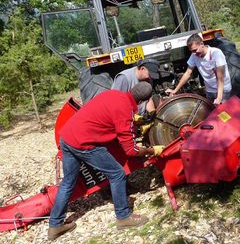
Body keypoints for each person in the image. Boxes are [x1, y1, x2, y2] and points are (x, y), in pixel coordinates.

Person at [48, 82, 163, 240]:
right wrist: (153, 150)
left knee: (68, 182)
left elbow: (107, 115)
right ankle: (123, 217)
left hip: (67, 137)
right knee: (117, 174)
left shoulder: (114, 94)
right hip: (83, 143)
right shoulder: (124, 111)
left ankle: (55, 226)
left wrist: (135, 121)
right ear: (143, 101)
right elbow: (130, 150)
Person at [165, 34, 232, 104]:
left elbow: (220, 78)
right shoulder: (194, 56)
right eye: (191, 51)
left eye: (195, 50)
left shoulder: (216, 53)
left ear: (202, 44)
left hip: (223, 90)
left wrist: (219, 98)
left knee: (222, 113)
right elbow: (187, 73)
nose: (193, 53)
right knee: (211, 111)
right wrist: (175, 90)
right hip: (210, 90)